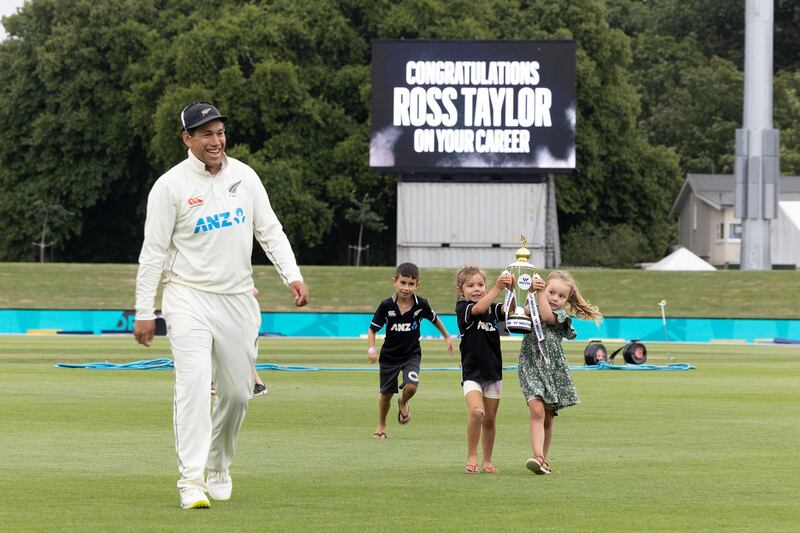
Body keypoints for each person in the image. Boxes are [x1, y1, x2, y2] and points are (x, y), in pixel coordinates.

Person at [133, 102, 308, 510]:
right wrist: (145, 310)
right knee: (193, 384)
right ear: (187, 139)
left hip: (237, 298)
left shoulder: (245, 177)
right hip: (186, 296)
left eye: (219, 132)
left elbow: (270, 230)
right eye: (206, 134)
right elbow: (153, 253)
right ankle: (191, 481)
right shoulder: (170, 186)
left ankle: (218, 466)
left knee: (238, 394)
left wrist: (292, 275)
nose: (216, 141)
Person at [519, 271, 601, 475]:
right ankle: (537, 456)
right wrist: (525, 291)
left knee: (547, 417)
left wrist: (539, 295)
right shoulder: (533, 307)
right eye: (551, 292)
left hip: (553, 369)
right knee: (536, 409)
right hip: (530, 366)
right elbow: (519, 312)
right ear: (544, 289)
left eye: (561, 296)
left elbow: (546, 316)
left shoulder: (561, 316)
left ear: (567, 301)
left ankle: (543, 460)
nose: (555, 298)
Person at [367, 262, 454, 439]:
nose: (406, 288)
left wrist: (447, 337)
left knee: (412, 387)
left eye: (411, 284)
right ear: (395, 282)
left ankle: (403, 401)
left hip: (411, 355)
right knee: (386, 394)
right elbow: (372, 329)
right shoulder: (386, 306)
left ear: (417, 285)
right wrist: (371, 348)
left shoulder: (421, 304)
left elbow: (435, 319)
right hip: (389, 356)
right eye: (403, 283)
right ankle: (381, 425)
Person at [455, 266, 512, 474]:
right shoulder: (463, 308)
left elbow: (509, 310)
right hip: (472, 374)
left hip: (493, 373)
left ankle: (488, 460)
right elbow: (478, 309)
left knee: (490, 419)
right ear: (461, 290)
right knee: (477, 412)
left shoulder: (492, 309)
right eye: (471, 286)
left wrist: (514, 290)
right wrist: (497, 288)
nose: (477, 289)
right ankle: (472, 455)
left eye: (480, 284)